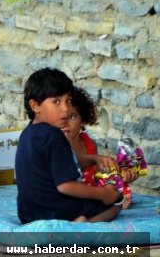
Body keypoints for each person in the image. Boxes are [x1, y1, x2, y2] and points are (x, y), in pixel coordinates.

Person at [15, 68, 123, 224]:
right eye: (57, 102)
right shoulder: (53, 135)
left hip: (28, 213)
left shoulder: (28, 133)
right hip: (56, 211)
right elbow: (65, 186)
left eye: (68, 100)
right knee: (116, 204)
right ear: (35, 106)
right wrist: (103, 194)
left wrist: (92, 159)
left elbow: (59, 162)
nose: (66, 108)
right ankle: (81, 225)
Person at [62, 86, 137, 208]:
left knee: (119, 194)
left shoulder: (89, 144)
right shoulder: (56, 145)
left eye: (72, 117)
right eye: (62, 117)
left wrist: (121, 178)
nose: (65, 122)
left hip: (91, 194)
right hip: (68, 198)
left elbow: (97, 178)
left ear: (83, 119)